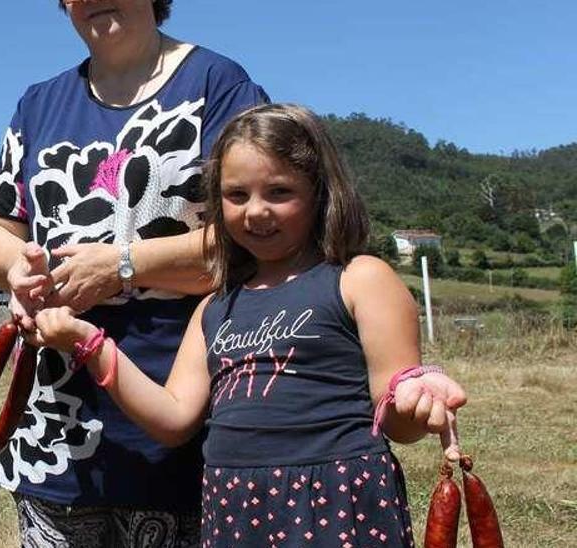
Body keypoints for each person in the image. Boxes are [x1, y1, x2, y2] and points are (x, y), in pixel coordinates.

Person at [30, 103, 468, 547]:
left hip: (338, 502)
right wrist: (87, 341)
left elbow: (397, 422)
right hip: (234, 506)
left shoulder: (361, 278)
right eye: (237, 195)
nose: (256, 211)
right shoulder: (214, 306)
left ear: (320, 192)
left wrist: (414, 399)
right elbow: (173, 417)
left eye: (279, 192)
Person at [0, 0, 268, 545]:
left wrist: (122, 266)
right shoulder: (38, 104)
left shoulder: (218, 85)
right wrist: (21, 268)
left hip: (183, 416)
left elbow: (257, 236)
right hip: (55, 432)